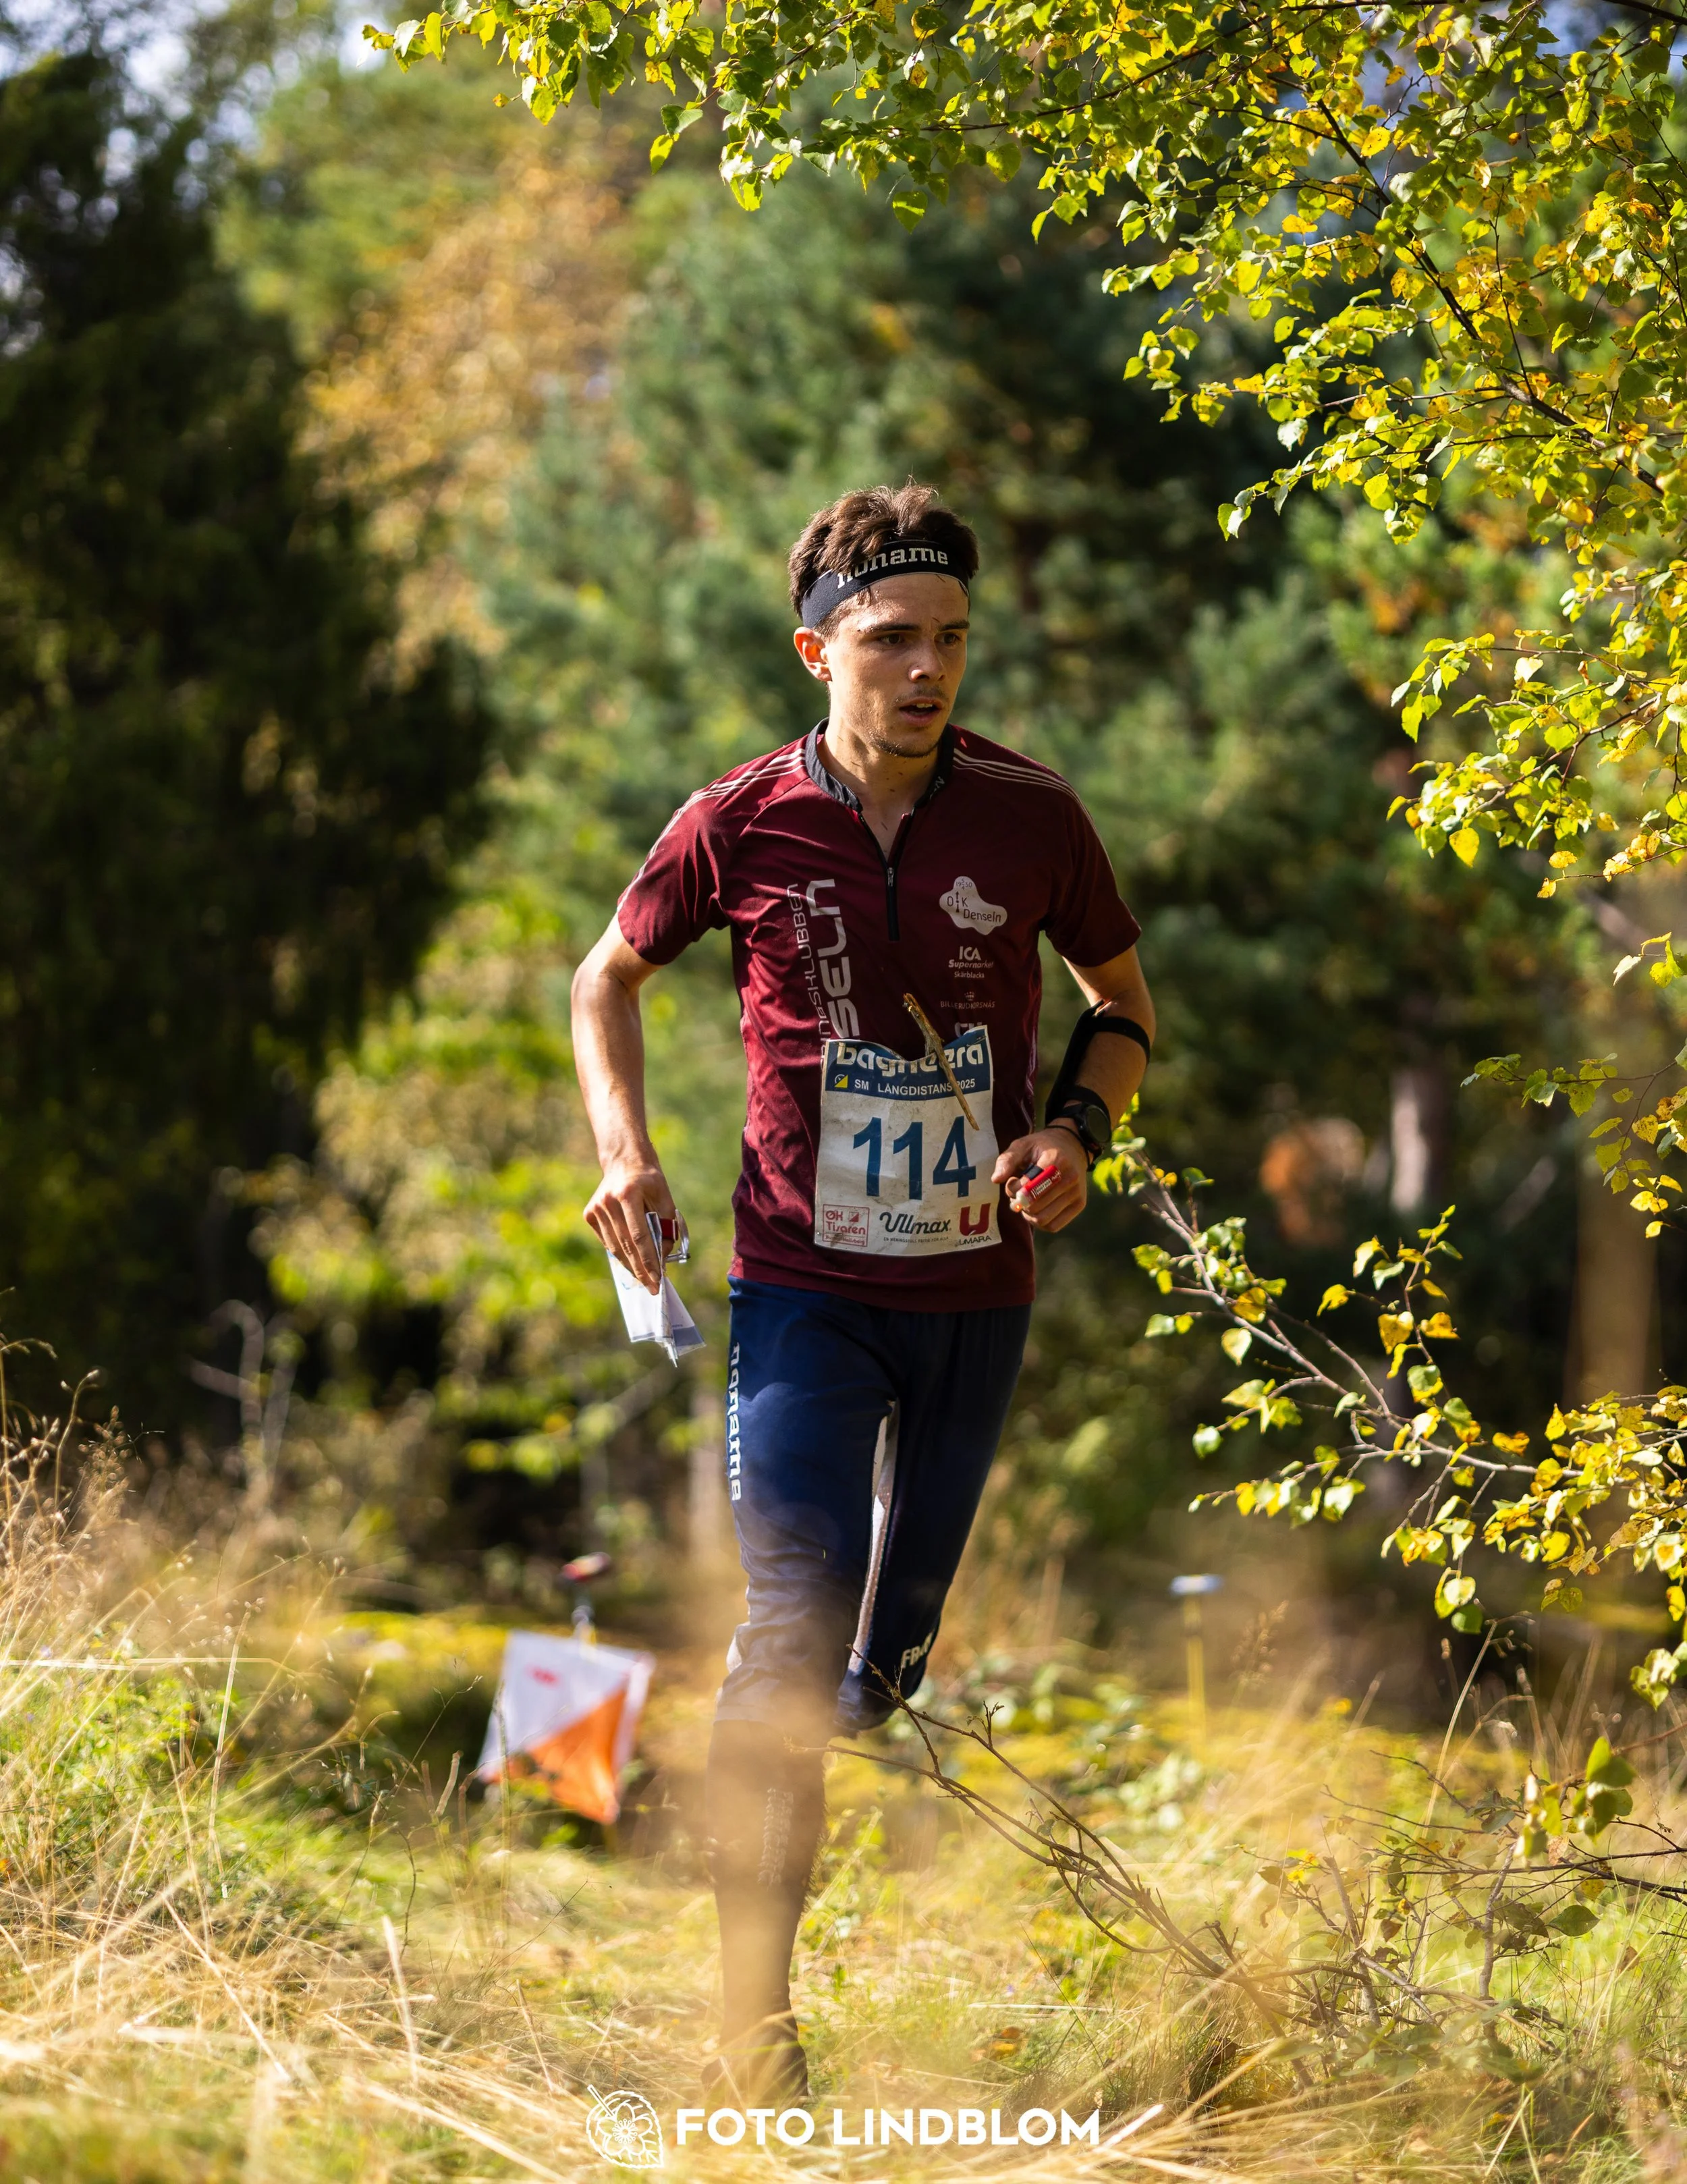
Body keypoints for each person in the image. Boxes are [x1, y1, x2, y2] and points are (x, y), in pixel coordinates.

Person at [571, 482, 1153, 2100]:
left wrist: (1073, 1133)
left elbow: (1119, 1000)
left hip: (973, 1291)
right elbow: (605, 976)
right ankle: (750, 2022)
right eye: (891, 637)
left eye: (950, 638)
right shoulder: (740, 818)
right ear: (816, 650)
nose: (926, 669)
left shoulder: (1030, 815)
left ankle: (840, 1722)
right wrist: (624, 1152)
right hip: (798, 1287)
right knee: (790, 1623)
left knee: (880, 1669)